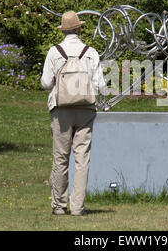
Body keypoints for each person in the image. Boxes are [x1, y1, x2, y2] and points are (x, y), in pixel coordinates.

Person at [41, 11, 105, 216]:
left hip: (61, 111)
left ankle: (59, 206)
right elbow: (101, 85)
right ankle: (77, 207)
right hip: (85, 109)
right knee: (82, 159)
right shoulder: (91, 52)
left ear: (63, 30)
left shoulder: (54, 51)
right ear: (79, 29)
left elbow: (45, 83)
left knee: (60, 158)